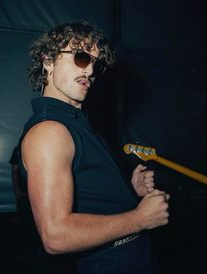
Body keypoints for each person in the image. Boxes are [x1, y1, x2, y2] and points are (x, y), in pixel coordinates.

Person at [16, 21, 169, 274]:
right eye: (80, 57)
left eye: (95, 63)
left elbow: (89, 198)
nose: (89, 70)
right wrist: (140, 218)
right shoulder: (49, 132)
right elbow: (55, 236)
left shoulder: (75, 123)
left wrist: (129, 190)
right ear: (48, 61)